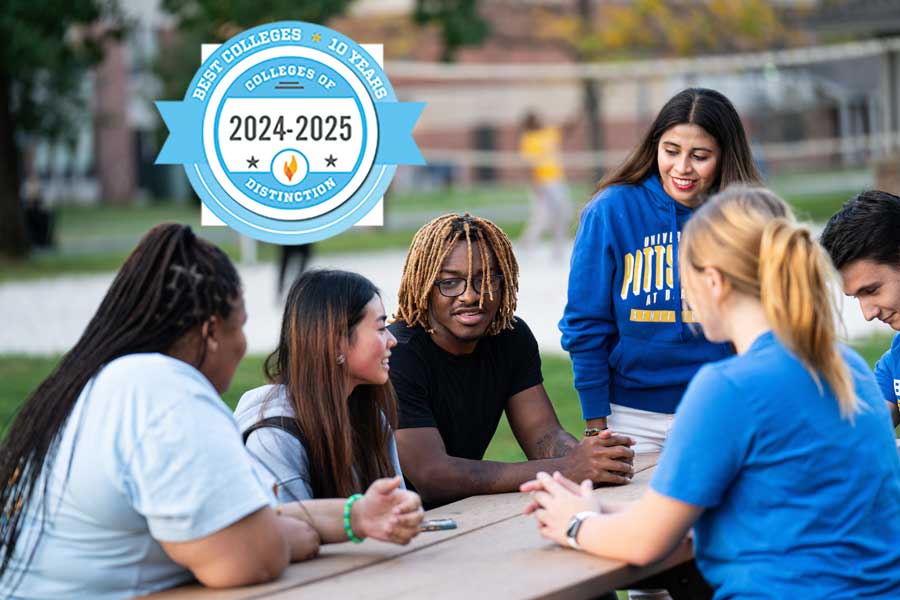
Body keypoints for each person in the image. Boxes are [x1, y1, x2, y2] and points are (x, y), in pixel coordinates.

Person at [0, 224, 422, 599]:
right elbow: (249, 558)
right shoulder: (165, 393)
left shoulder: (105, 382)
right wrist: (287, 535)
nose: (243, 345)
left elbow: (251, 519)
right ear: (211, 332)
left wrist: (354, 516)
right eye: (240, 325)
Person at [523, 187, 900, 599]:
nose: (681, 296)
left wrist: (573, 524)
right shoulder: (845, 367)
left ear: (715, 281)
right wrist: (596, 512)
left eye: (683, 280)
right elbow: (748, 513)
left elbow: (646, 542)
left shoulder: (729, 389)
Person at [559, 87, 763, 455]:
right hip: (631, 416)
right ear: (654, 147)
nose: (682, 167)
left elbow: (766, 323)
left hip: (720, 406)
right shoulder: (609, 210)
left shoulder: (744, 217)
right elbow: (585, 324)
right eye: (671, 151)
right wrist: (595, 427)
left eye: (700, 156)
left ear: (724, 156)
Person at [388, 213, 635, 509]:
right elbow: (433, 478)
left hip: (453, 516)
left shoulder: (510, 338)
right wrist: (569, 468)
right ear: (425, 286)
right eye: (450, 282)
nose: (471, 296)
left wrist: (592, 459)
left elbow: (543, 435)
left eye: (486, 279)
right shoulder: (397, 354)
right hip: (377, 522)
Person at [235, 269, 405, 503]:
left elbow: (400, 510)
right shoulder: (275, 436)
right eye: (380, 328)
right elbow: (292, 532)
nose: (392, 340)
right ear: (336, 343)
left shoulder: (371, 415)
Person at [820, 190, 900, 427]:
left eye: (872, 290)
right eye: (857, 298)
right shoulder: (893, 363)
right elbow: (864, 435)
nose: (868, 314)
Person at [519, 111, 574, 257]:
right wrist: (536, 186)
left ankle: (558, 247)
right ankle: (528, 244)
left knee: (563, 213)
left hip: (557, 180)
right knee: (544, 216)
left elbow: (566, 129)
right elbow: (529, 167)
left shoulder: (548, 133)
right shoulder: (529, 140)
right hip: (543, 182)